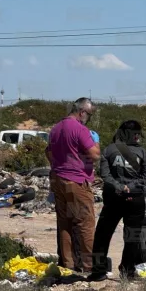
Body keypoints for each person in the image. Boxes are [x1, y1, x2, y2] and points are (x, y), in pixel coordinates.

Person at [89, 120, 146, 282]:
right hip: (135, 199)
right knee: (132, 237)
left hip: (113, 198)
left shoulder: (110, 150)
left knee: (103, 235)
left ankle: (98, 270)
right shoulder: (142, 153)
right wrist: (131, 186)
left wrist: (120, 186)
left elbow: (105, 175)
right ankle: (127, 271)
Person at [46, 97, 101, 273]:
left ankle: (67, 264)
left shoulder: (56, 128)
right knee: (85, 223)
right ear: (82, 112)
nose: (89, 118)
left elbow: (48, 152)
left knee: (65, 223)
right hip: (76, 181)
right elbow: (95, 155)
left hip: (58, 180)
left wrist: (60, 165)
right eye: (89, 114)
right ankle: (88, 266)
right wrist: (96, 142)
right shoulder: (80, 129)